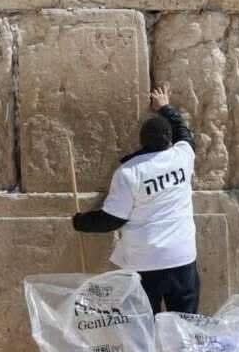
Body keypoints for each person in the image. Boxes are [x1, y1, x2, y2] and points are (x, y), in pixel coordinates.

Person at [72, 84, 200, 314]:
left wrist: (81, 221)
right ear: (168, 139)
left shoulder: (129, 172)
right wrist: (165, 107)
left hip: (145, 261)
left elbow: (112, 219)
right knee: (184, 323)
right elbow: (184, 131)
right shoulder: (182, 156)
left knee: (144, 325)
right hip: (181, 256)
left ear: (142, 141)